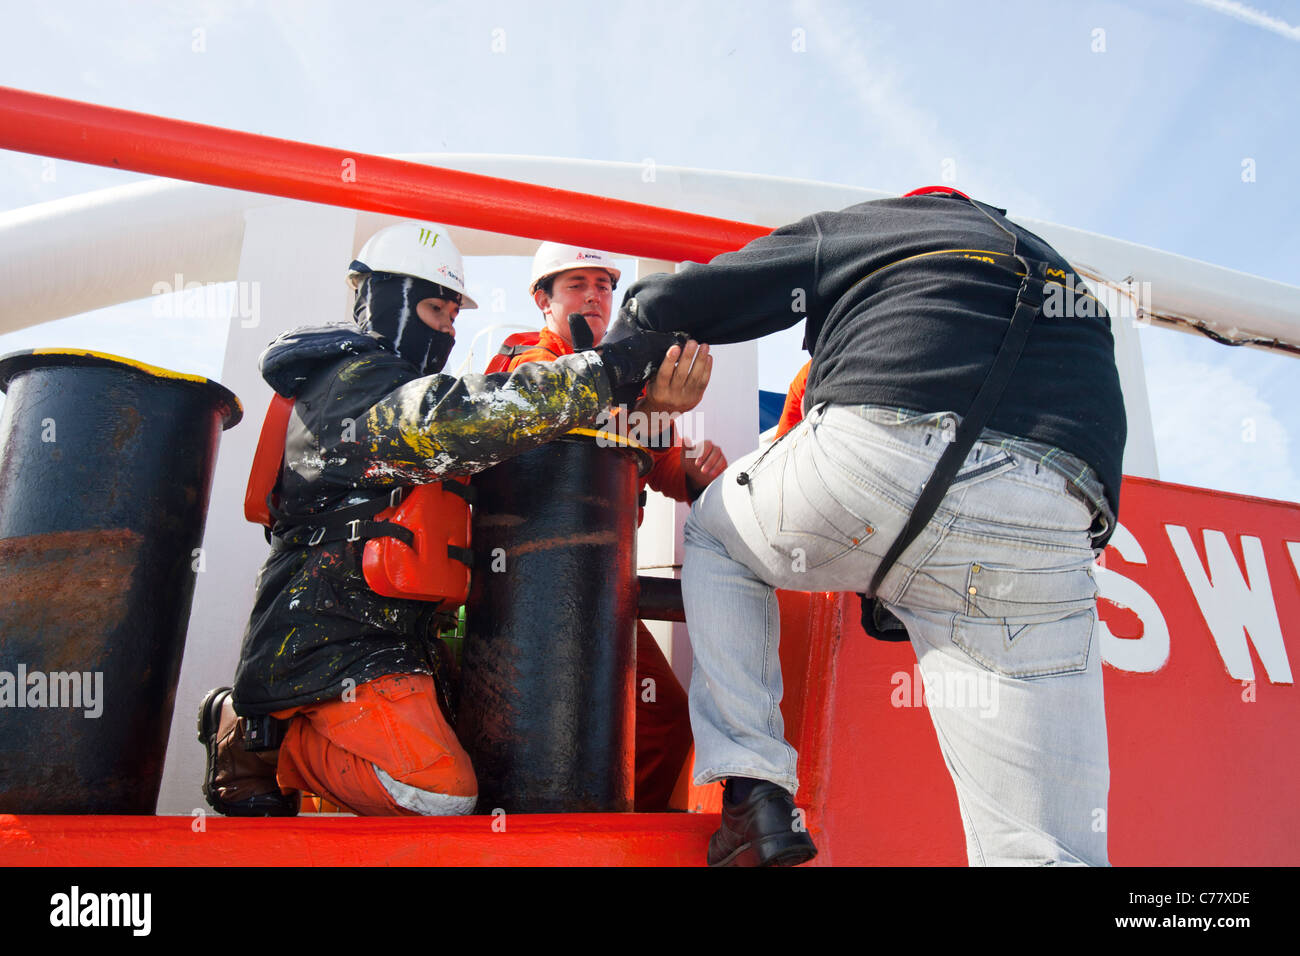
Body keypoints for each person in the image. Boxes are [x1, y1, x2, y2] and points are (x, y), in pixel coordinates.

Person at [617, 187, 1126, 866]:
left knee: (719, 534)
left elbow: (670, 302)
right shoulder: (1074, 288)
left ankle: (756, 793)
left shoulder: (879, 225)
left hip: (880, 454)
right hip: (1052, 518)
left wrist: (634, 392)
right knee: (1046, 849)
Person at [199, 221, 675, 817]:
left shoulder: (400, 385)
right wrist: (608, 370)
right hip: (332, 643)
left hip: (410, 643)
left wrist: (647, 413)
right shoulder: (350, 384)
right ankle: (263, 735)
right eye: (433, 309)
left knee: (502, 762)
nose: (447, 329)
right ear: (381, 298)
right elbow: (448, 422)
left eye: (454, 318)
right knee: (436, 796)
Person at [497, 242, 727, 811]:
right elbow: (565, 426)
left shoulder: (631, 378)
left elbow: (664, 470)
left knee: (662, 724)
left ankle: (614, 842)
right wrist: (657, 413)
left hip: (597, 586)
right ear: (542, 300)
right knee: (531, 740)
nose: (594, 296)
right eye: (576, 284)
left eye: (603, 284)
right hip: (526, 590)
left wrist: (696, 471)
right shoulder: (526, 361)